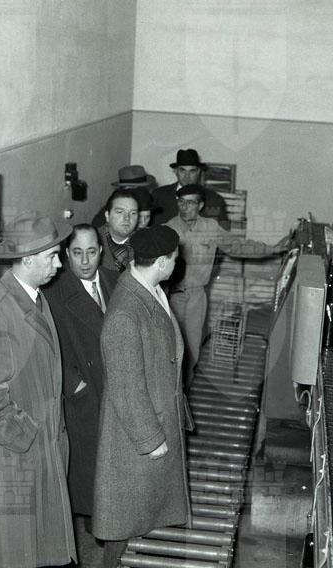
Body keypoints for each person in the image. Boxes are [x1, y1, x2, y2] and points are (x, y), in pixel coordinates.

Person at [0, 211, 76, 568]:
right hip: (15, 455)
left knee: (39, 550)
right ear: (27, 259)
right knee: (16, 552)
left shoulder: (34, 298)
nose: (59, 264)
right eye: (52, 257)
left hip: (40, 447)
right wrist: (27, 437)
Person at [92, 225, 191, 568]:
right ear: (161, 262)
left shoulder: (150, 290)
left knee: (140, 515)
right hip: (136, 436)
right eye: (174, 258)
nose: (177, 263)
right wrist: (151, 440)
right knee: (125, 521)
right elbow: (126, 386)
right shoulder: (126, 313)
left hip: (156, 418)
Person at [166, 184, 289, 384]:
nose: (185, 207)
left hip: (197, 296)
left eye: (191, 202)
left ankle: (184, 392)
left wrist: (272, 249)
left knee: (192, 350)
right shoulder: (168, 229)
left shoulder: (210, 227)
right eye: (181, 202)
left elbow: (238, 246)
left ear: (200, 205)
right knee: (170, 348)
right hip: (173, 297)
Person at [43, 224, 119, 535]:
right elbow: (51, 349)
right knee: (89, 468)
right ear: (66, 255)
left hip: (117, 388)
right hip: (85, 395)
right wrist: (76, 385)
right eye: (77, 253)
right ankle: (96, 522)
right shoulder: (54, 295)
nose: (85, 261)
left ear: (101, 252)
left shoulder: (117, 282)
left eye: (90, 252)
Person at [151, 148, 229, 228]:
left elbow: (223, 232)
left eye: (192, 171)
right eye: (182, 171)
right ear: (176, 171)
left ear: (198, 172)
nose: (187, 176)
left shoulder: (214, 199)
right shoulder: (158, 196)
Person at [91, 165, 156, 228]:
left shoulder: (147, 202)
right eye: (132, 188)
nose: (139, 193)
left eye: (140, 188)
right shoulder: (113, 206)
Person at [97, 188, 139, 272]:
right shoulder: (93, 241)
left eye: (133, 213)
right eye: (120, 212)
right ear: (107, 215)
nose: (127, 218)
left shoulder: (146, 241)